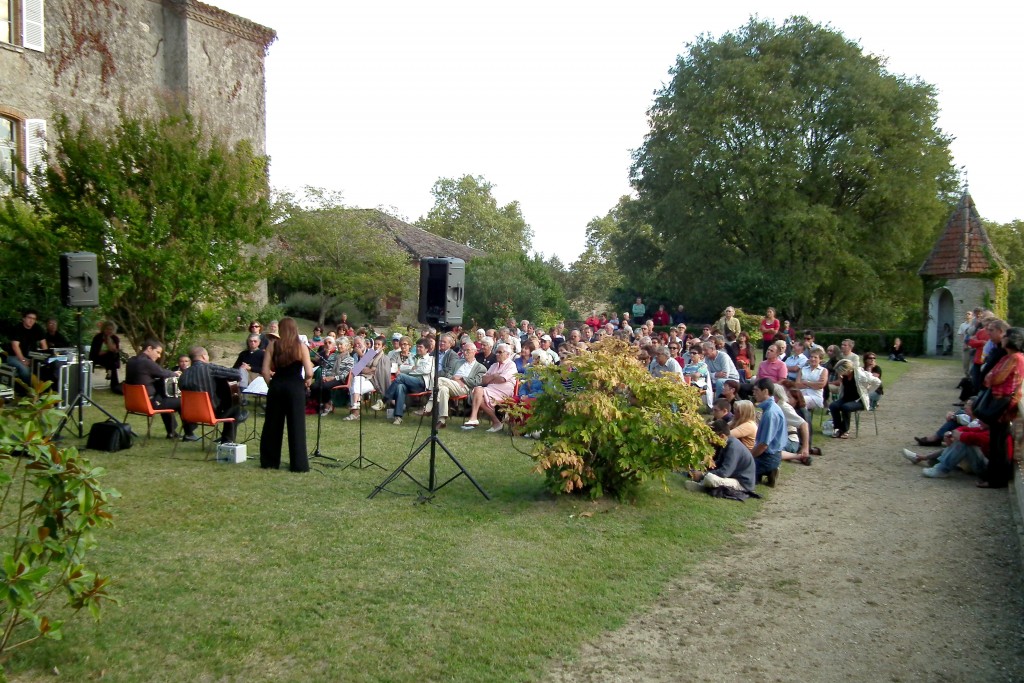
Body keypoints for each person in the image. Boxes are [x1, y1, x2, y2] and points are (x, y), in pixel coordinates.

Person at [259, 318, 314, 472]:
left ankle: (269, 461)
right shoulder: (301, 347)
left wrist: (271, 383)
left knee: (272, 424)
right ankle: (298, 464)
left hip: (277, 385)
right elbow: (309, 372)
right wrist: (307, 381)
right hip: (295, 386)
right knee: (296, 425)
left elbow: (264, 371)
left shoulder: (273, 345)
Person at [975, 327, 1024, 489]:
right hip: (1003, 404)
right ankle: (994, 477)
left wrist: (991, 375)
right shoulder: (1013, 357)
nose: (1003, 338)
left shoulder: (1014, 358)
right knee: (997, 441)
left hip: (1002, 405)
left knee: (999, 444)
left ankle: (997, 479)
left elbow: (995, 377)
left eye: (1006, 336)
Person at [124, 339, 196, 440]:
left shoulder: (131, 361)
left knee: (165, 398)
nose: (158, 356)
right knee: (182, 401)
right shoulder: (146, 362)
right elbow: (163, 372)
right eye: (157, 352)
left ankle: (172, 432)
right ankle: (189, 433)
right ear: (149, 349)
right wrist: (176, 373)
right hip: (148, 403)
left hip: (133, 402)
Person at [179, 346, 248, 444]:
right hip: (210, 414)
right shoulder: (209, 368)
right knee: (235, 407)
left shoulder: (184, 374)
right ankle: (227, 441)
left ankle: (226, 438)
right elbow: (236, 374)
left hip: (190, 414)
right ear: (203, 356)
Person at [687, 419, 756, 494]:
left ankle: (701, 486)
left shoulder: (732, 447)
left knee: (710, 478)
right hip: (733, 477)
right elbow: (718, 464)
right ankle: (703, 484)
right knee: (709, 476)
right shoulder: (727, 443)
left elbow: (724, 472)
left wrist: (702, 475)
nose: (710, 440)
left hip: (742, 484)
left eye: (712, 437)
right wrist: (701, 467)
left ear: (722, 436)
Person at [432, 339, 487, 428]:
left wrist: (462, 378)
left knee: (440, 380)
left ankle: (429, 406)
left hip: (464, 388)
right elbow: (448, 373)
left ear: (475, 352)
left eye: (468, 350)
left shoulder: (480, 367)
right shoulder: (458, 362)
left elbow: (477, 382)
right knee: (443, 389)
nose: (465, 352)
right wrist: (454, 379)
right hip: (451, 384)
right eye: (464, 350)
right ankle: (441, 420)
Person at [462, 343, 517, 432]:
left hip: (504, 390)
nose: (497, 354)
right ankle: (493, 422)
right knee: (478, 392)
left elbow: (502, 379)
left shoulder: (511, 365)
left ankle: (474, 418)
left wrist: (491, 379)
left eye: (500, 352)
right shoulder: (494, 365)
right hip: (491, 389)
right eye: (496, 352)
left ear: (507, 354)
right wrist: (494, 376)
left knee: (478, 391)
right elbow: (483, 380)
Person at [379, 338, 433, 425]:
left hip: (421, 384)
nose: (418, 349)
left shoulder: (430, 359)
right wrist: (411, 368)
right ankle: (398, 417)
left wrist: (410, 370)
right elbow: (402, 367)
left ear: (427, 349)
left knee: (400, 377)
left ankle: (384, 400)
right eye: (417, 347)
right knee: (400, 387)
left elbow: (425, 370)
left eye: (421, 347)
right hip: (408, 382)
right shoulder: (412, 357)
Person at [827, 359, 882, 439]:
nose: (840, 373)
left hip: (859, 400)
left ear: (848, 370)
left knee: (846, 407)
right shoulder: (844, 376)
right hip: (846, 398)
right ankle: (837, 428)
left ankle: (845, 430)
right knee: (833, 406)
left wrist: (868, 390)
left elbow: (877, 382)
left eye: (841, 371)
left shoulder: (861, 375)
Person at [751, 378, 786, 486]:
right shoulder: (772, 408)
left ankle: (769, 469)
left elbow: (763, 445)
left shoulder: (770, 413)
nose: (754, 393)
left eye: (756, 390)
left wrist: (749, 456)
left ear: (765, 391)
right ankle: (768, 471)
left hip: (768, 457)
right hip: (772, 454)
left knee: (739, 470)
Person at [310, 336, 353, 416]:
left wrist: (333, 378)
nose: (339, 346)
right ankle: (326, 402)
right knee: (313, 386)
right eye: (338, 344)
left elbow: (344, 374)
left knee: (324, 386)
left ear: (346, 346)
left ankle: (327, 405)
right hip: (327, 377)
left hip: (338, 379)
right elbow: (325, 367)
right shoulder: (332, 355)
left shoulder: (350, 359)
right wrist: (323, 376)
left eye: (341, 344)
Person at [3, 309, 46, 383]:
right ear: (24, 318)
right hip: (14, 357)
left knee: (43, 368)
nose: (31, 320)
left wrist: (45, 358)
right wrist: (23, 360)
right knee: (25, 370)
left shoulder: (37, 328)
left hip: (31, 357)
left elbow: (43, 344)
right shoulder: (17, 328)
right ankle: (28, 390)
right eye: (29, 318)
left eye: (34, 319)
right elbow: (15, 346)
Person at [89, 320, 122, 393]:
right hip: (98, 357)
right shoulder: (98, 337)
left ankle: (110, 371)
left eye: (111, 329)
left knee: (111, 357)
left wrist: (109, 339)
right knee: (111, 357)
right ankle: (114, 385)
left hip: (110, 358)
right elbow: (96, 352)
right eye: (107, 329)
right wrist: (108, 350)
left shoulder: (115, 338)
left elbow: (114, 350)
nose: (109, 331)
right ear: (103, 329)